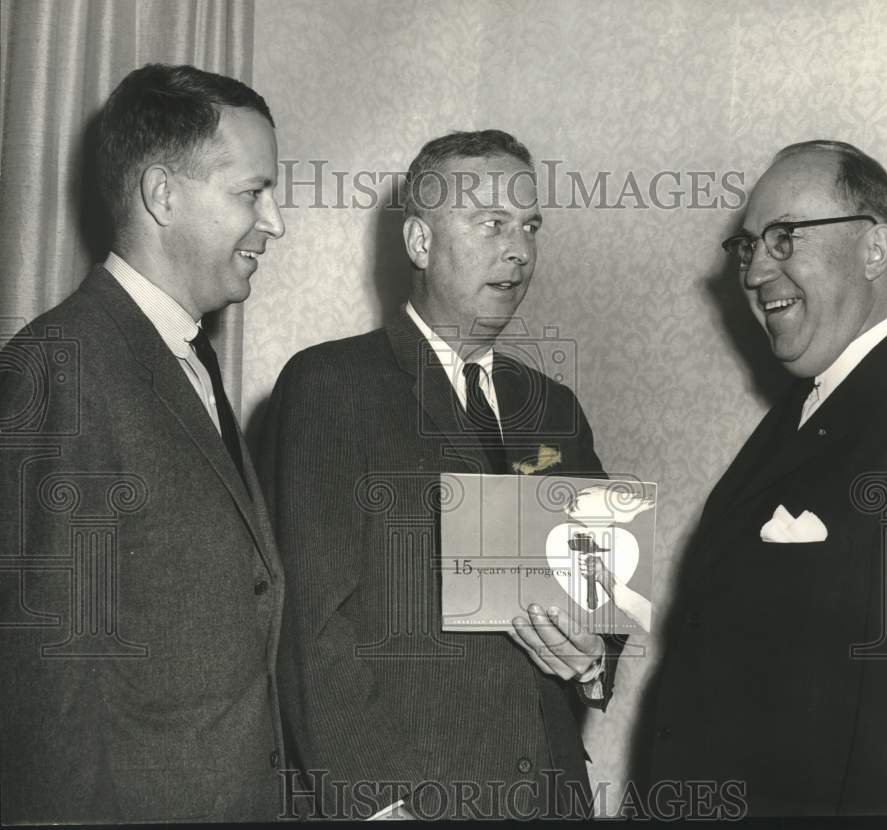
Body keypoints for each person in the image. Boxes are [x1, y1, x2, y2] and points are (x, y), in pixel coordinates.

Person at [258, 130, 613, 820]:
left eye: (529, 226)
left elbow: (598, 596)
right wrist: (379, 807)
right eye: (491, 224)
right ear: (420, 244)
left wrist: (594, 657)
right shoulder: (330, 385)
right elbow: (308, 632)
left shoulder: (555, 408)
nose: (518, 249)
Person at [643, 140, 887, 815]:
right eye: (749, 247)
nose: (754, 273)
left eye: (785, 238)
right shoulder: (802, 414)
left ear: (875, 249)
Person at [0, 63, 286, 823]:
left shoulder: (184, 357)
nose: (275, 222)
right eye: (252, 193)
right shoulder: (62, 368)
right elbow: (48, 686)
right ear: (163, 195)